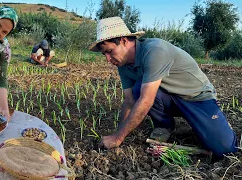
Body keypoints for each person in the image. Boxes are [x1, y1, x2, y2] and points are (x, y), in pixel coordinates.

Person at [89, 16, 237, 158]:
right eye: (104, 55)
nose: (108, 59)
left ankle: (217, 123)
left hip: (197, 98)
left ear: (123, 40)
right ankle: (164, 126)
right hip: (169, 97)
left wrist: (118, 137)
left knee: (224, 150)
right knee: (137, 89)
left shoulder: (154, 50)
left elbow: (146, 101)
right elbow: (129, 100)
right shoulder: (122, 64)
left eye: (109, 51)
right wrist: (118, 132)